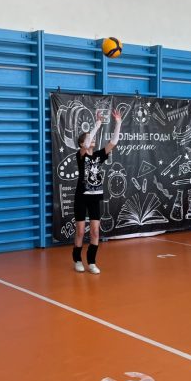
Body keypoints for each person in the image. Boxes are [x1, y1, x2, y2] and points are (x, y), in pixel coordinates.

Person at [72, 108, 122, 273]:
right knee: (80, 231)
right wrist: (98, 124)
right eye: (88, 138)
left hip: (95, 197)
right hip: (81, 196)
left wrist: (118, 123)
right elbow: (87, 144)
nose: (92, 139)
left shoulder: (99, 155)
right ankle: (77, 260)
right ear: (81, 144)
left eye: (92, 137)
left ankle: (92, 262)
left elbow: (113, 142)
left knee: (95, 231)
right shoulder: (81, 155)